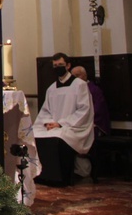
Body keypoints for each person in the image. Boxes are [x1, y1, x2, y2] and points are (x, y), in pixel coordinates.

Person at [32, 52, 94, 187]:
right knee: (34, 134)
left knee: (60, 137)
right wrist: (48, 122)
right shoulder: (51, 88)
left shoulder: (79, 85)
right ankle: (42, 176)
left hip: (73, 126)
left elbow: (84, 110)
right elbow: (45, 110)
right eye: (55, 66)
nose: (57, 68)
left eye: (60, 65)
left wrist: (60, 123)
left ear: (68, 65)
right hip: (53, 125)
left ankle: (62, 178)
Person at [70, 66, 110, 137]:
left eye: (77, 75)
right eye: (73, 76)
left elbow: (99, 109)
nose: (75, 78)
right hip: (76, 123)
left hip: (90, 123)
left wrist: (82, 119)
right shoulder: (71, 90)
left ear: (85, 75)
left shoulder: (94, 90)